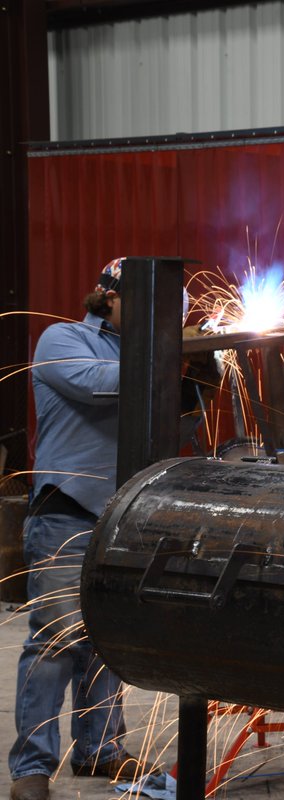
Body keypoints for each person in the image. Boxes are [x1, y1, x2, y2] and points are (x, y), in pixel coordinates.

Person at [9, 260, 150, 800]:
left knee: (108, 642)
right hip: (66, 512)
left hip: (122, 518)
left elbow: (171, 422)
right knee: (56, 643)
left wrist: (194, 380)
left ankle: (102, 750)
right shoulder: (62, 339)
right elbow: (97, 387)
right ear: (108, 297)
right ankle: (32, 769)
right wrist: (168, 359)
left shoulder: (151, 361)